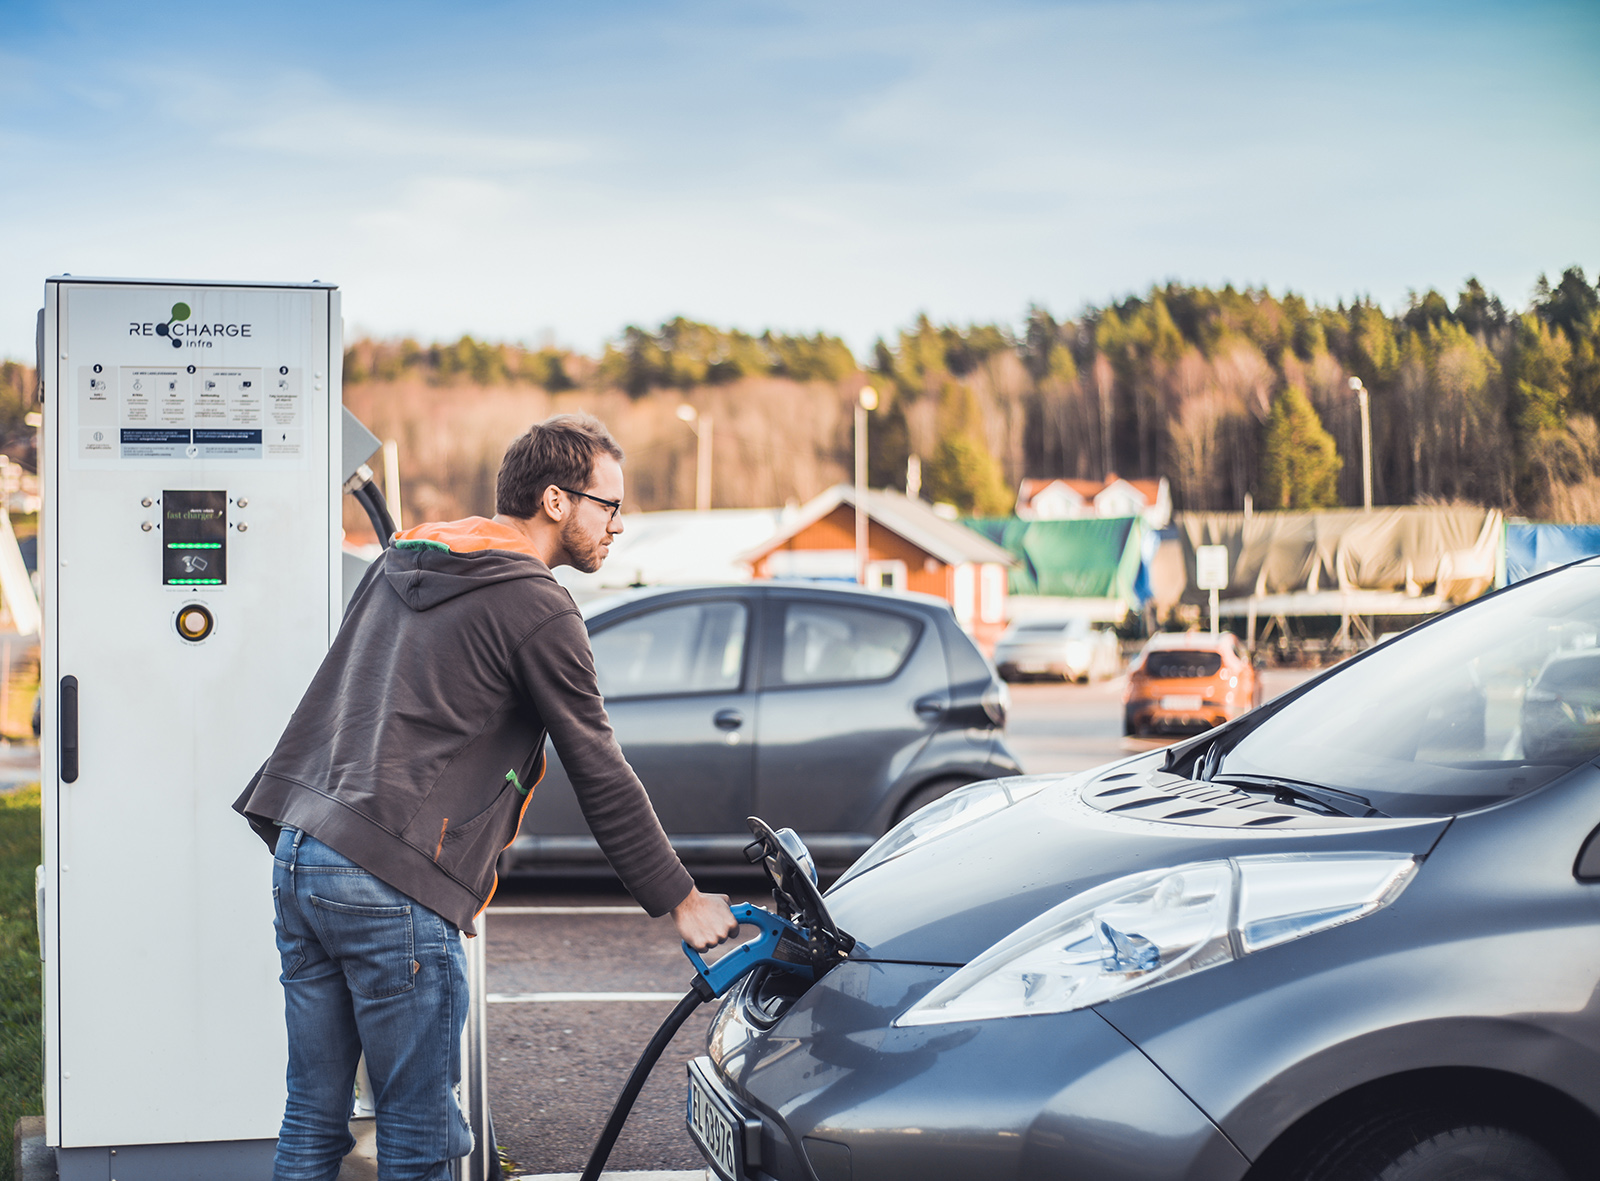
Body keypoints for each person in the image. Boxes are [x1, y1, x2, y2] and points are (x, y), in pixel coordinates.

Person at [234, 413, 739, 1181]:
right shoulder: (536, 603)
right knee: (420, 1140)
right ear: (558, 501)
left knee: (312, 1114)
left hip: (303, 854)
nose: (619, 526)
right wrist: (681, 897)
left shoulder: (405, 559)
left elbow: (343, 695)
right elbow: (598, 764)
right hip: (389, 881)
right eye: (610, 506)